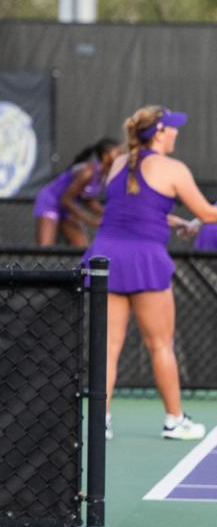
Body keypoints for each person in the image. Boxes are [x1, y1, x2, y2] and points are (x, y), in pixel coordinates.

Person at [83, 106, 217, 442]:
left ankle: (100, 422)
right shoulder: (173, 169)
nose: (176, 132)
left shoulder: (119, 163)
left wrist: (177, 222)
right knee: (160, 345)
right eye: (172, 127)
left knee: (107, 348)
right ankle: (175, 420)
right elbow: (207, 214)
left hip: (106, 258)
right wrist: (199, 216)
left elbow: (134, 210)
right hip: (144, 259)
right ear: (158, 132)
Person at [33, 139, 119, 247]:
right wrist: (91, 220)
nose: (122, 157)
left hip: (67, 207)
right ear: (106, 157)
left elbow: (88, 199)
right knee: (45, 248)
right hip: (51, 203)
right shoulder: (88, 172)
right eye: (118, 153)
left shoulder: (104, 175)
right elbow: (65, 199)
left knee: (82, 249)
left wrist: (109, 214)